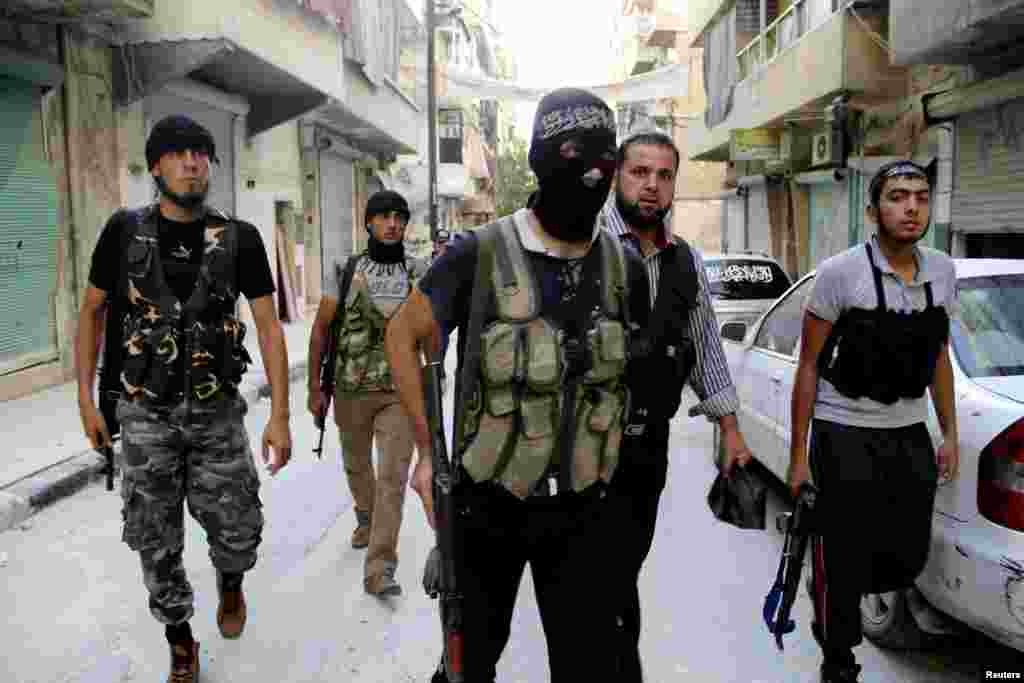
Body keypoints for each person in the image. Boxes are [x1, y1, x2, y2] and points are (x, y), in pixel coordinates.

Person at [385, 88, 650, 682]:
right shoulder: (477, 255)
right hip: (490, 503)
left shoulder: (624, 266)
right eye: (573, 155)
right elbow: (402, 337)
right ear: (539, 161)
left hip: (583, 508)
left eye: (604, 159)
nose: (590, 172)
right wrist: (428, 453)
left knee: (588, 665)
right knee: (469, 661)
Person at [75, 115, 292, 683]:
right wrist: (86, 402)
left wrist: (281, 417)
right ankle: (179, 637)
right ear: (155, 165)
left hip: (217, 411)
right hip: (145, 413)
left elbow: (269, 327)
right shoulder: (123, 232)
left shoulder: (240, 237)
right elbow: (93, 312)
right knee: (153, 537)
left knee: (238, 529)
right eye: (179, 153)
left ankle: (231, 582)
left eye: (201, 153)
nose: (194, 163)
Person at [787, 160, 959, 683]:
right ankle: (838, 659)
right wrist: (799, 455)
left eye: (921, 197)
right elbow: (810, 364)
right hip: (844, 435)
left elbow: (938, 358)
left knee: (905, 554)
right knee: (842, 559)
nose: (911, 207)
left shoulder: (942, 271)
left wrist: (949, 431)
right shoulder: (842, 273)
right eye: (898, 196)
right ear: (873, 210)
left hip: (907, 433)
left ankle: (837, 600)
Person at [600, 130, 754, 681]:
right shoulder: (587, 245)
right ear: (618, 175)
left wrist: (731, 430)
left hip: (647, 449)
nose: (651, 186)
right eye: (640, 172)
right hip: (584, 445)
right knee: (599, 577)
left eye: (664, 176)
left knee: (622, 570)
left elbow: (705, 345)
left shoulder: (684, 260)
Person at [307, 190, 427, 597]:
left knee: (392, 477)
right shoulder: (347, 268)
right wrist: (314, 388)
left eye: (399, 217)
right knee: (358, 465)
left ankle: (380, 568)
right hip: (350, 389)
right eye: (384, 216)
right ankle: (364, 513)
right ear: (369, 223)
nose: (392, 223)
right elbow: (322, 329)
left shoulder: (419, 270)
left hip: (400, 392)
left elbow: (430, 331)